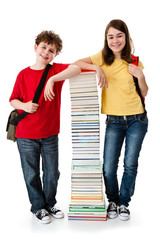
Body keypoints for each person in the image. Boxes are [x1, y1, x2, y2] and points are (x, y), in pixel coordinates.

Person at [72, 19, 148, 221]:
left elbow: (145, 92)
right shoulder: (101, 58)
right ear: (106, 39)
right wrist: (97, 68)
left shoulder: (134, 60)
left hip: (136, 120)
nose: (115, 41)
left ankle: (124, 203)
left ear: (126, 37)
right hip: (114, 121)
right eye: (111, 37)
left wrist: (140, 76)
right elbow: (76, 63)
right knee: (108, 166)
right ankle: (112, 200)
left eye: (119, 36)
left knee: (130, 163)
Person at [9, 30, 81, 224]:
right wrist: (24, 105)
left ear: (55, 55)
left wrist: (52, 79)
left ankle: (50, 203)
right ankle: (38, 207)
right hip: (25, 135)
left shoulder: (56, 70)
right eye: (43, 47)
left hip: (50, 134)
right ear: (35, 48)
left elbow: (76, 68)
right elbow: (13, 100)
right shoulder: (23, 74)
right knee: (31, 174)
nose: (46, 52)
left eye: (52, 50)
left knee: (52, 173)